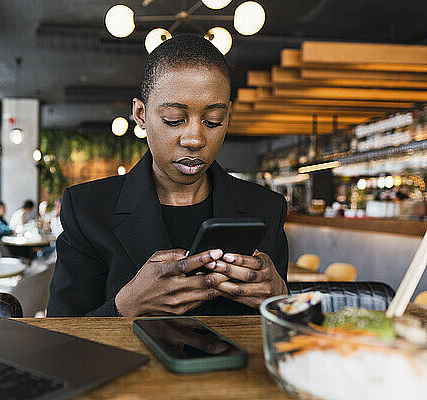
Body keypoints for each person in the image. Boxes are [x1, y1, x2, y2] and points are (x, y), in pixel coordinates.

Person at [48, 34, 288, 317]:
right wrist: (125, 306)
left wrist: (281, 299)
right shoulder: (88, 209)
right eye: (174, 119)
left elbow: (288, 335)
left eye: (213, 121)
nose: (195, 139)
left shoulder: (267, 208)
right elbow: (62, 339)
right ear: (140, 114)